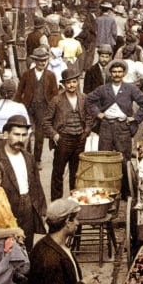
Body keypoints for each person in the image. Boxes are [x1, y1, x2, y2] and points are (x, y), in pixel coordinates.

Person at [0, 116, 47, 251]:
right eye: (16, 134)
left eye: (24, 135)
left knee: (26, 248)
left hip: (28, 209)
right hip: (5, 209)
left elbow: (36, 184)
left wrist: (41, 209)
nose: (21, 139)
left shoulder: (29, 158)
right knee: (4, 250)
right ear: (6, 134)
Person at [85, 59, 143, 187]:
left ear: (124, 74)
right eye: (114, 72)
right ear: (110, 73)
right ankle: (107, 188)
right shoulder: (103, 89)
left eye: (120, 72)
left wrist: (135, 118)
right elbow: (89, 100)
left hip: (123, 127)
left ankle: (125, 190)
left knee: (124, 158)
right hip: (106, 127)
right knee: (105, 157)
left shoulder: (130, 89)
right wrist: (98, 114)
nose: (117, 74)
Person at [25, 198, 101, 284]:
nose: (77, 223)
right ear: (67, 222)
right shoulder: (50, 259)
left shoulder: (52, 244)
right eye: (75, 219)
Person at [44, 67, 90, 201]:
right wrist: (54, 135)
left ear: (77, 82)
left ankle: (74, 202)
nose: (72, 85)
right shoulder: (56, 100)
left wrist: (86, 132)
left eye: (74, 82)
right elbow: (46, 121)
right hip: (63, 140)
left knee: (76, 173)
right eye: (68, 82)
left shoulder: (83, 98)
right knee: (58, 172)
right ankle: (56, 203)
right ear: (64, 84)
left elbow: (89, 117)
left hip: (80, 139)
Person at [14, 49, 59, 164]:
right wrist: (16, 106)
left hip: (43, 108)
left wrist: (55, 108)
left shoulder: (50, 75)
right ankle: (26, 156)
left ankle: (37, 160)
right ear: (34, 61)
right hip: (28, 107)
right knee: (26, 132)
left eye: (44, 60)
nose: (42, 63)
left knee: (40, 135)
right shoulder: (27, 74)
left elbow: (55, 94)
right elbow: (19, 91)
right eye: (40, 61)